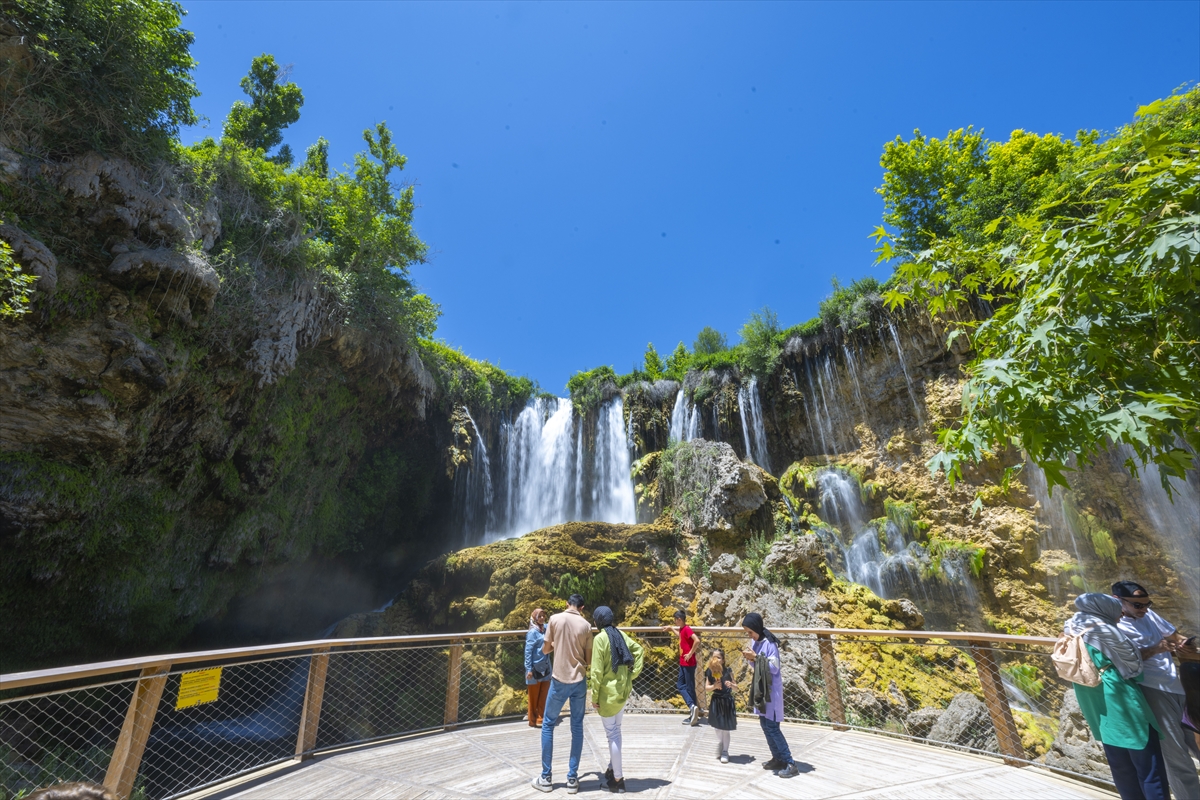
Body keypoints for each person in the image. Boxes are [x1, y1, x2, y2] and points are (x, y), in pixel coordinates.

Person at [1064, 593, 1169, 800]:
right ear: (1105, 609)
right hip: (1120, 699)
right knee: (1149, 768)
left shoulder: (1072, 625)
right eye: (1116, 609)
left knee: (1121, 767)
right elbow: (1135, 670)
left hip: (1092, 699)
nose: (1121, 614)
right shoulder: (1106, 631)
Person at [1112, 580, 1200, 800]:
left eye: (1146, 603)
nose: (1144, 609)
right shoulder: (1113, 625)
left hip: (1179, 686)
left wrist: (1184, 645)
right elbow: (1124, 661)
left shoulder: (1148, 614)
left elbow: (1174, 636)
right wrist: (1155, 649)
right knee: (1177, 755)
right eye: (1137, 605)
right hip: (1152, 691)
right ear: (1117, 601)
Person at [532, 593, 593, 794]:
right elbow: (588, 658)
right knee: (576, 726)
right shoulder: (585, 625)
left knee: (548, 724)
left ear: (567, 604)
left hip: (558, 680)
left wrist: (558, 645)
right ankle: (572, 779)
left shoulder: (555, 619)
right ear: (582, 608)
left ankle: (546, 778)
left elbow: (545, 649)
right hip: (579, 681)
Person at [589, 605, 644, 794]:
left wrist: (594, 697)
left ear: (598, 621)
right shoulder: (619, 634)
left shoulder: (600, 639)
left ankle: (618, 780)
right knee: (616, 732)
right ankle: (612, 769)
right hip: (622, 692)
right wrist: (631, 675)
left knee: (612, 735)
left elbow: (596, 672)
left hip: (607, 695)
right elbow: (639, 650)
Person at [740, 612, 799, 779]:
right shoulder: (755, 642)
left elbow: (774, 668)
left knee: (772, 727)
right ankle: (777, 757)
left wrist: (756, 657)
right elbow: (757, 665)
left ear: (757, 628)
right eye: (747, 632)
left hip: (771, 692)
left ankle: (790, 763)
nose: (749, 635)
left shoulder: (770, 644)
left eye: (750, 632)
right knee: (765, 725)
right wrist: (750, 659)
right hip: (762, 690)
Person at [662, 609, 701, 725]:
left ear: (679, 619)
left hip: (688, 663)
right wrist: (671, 629)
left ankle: (693, 709)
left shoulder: (687, 629)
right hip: (683, 663)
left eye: (675, 620)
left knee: (689, 687)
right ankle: (693, 710)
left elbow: (697, 640)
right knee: (681, 685)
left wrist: (690, 653)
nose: (674, 621)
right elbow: (681, 637)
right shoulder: (683, 629)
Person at [705, 649, 737, 763]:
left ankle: (725, 751)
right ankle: (721, 743)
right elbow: (706, 688)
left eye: (718, 657)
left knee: (725, 729)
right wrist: (714, 686)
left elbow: (736, 688)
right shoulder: (710, 671)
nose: (716, 659)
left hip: (727, 700)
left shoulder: (728, 671)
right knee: (718, 728)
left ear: (723, 660)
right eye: (714, 657)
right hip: (716, 700)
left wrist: (731, 685)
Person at [525, 607, 552, 727]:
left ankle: (541, 718)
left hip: (545, 666)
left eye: (543, 616)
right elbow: (528, 651)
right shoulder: (532, 632)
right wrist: (528, 669)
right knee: (533, 695)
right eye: (539, 616)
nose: (542, 618)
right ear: (535, 618)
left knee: (544, 693)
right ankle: (532, 720)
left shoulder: (545, 629)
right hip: (534, 667)